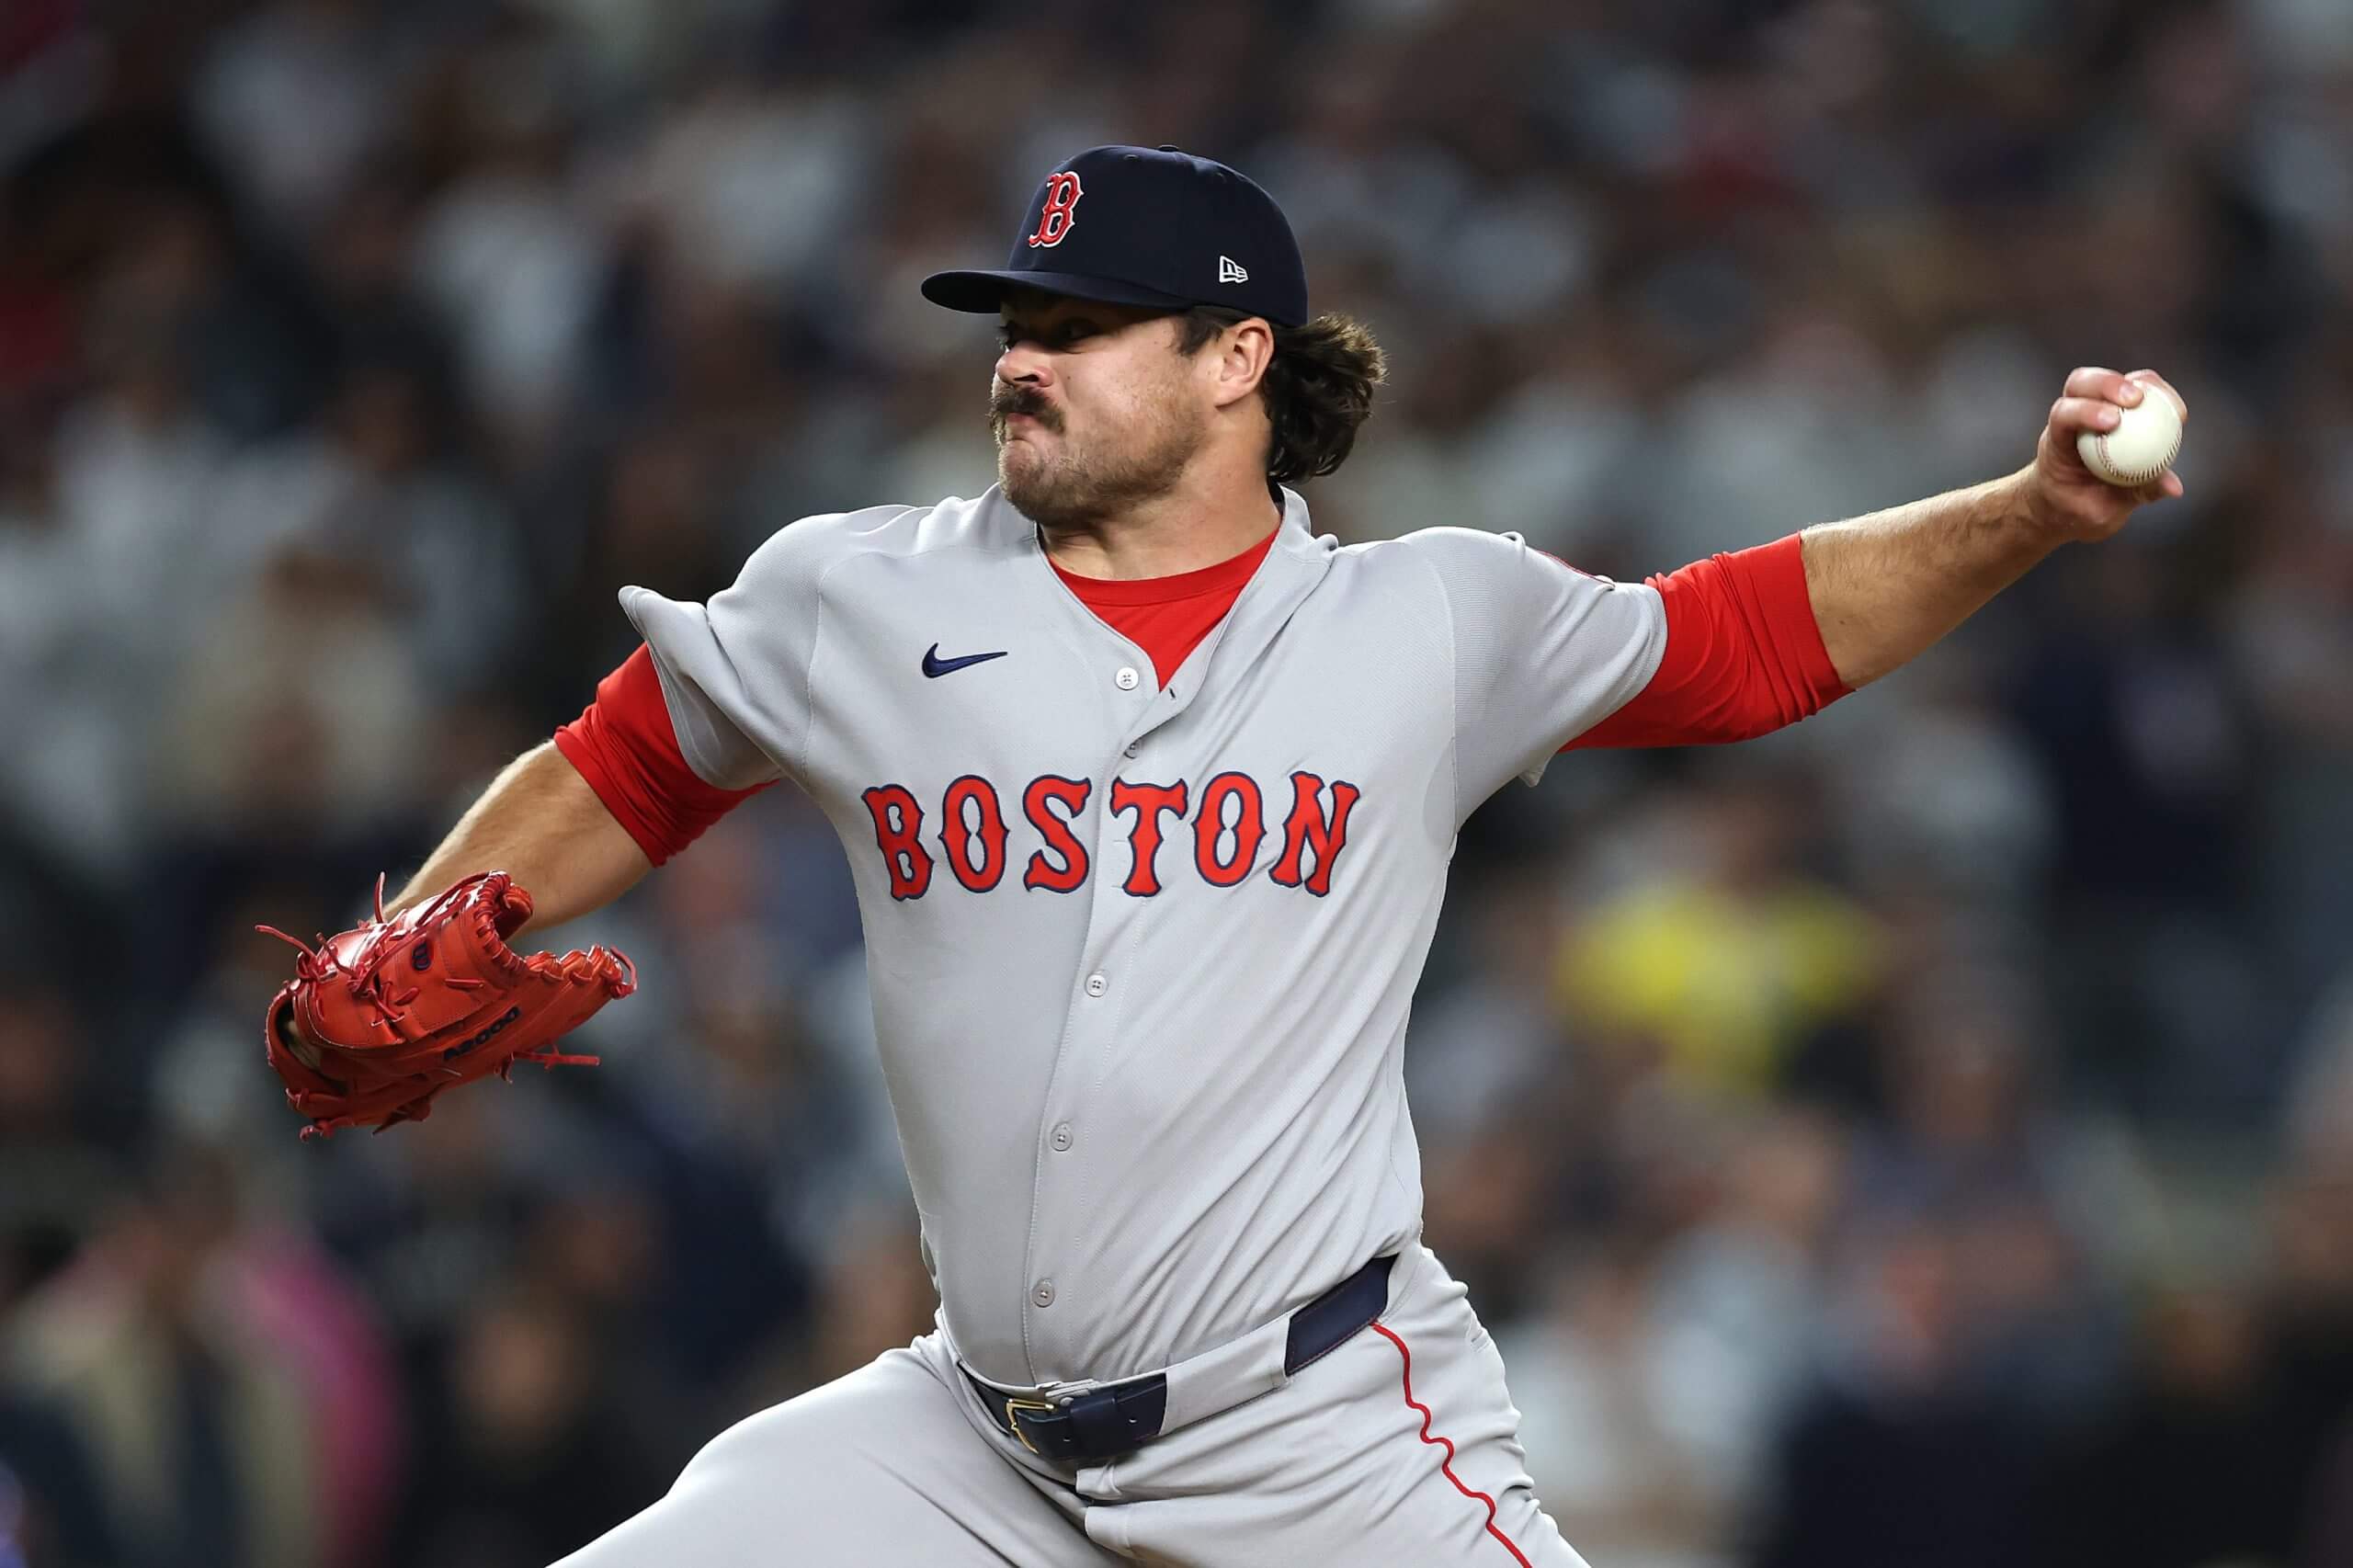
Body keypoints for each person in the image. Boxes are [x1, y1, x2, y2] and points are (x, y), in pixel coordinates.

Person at [277, 145, 2186, 1564]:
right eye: (1015, 325)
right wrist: (434, 923)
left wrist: (2022, 512)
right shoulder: (859, 592)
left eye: (1080, 330)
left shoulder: (1425, 622)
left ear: (1230, 360)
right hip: (967, 1440)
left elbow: (1743, 639)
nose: (1022, 361)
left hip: (1321, 1436)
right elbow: (627, 756)